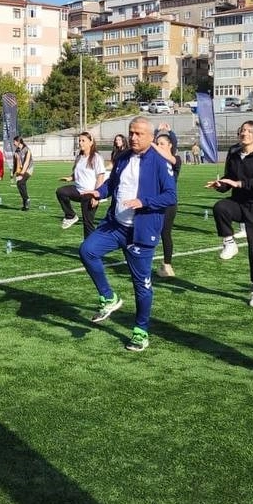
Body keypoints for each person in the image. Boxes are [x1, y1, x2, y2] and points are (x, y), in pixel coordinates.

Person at [79, 116, 178, 352]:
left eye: (139, 134)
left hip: (141, 231)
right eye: (131, 133)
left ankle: (140, 331)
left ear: (150, 137)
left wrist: (144, 202)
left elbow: (170, 196)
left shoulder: (159, 162)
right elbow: (112, 184)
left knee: (141, 284)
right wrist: (99, 192)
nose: (133, 137)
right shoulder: (123, 157)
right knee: (87, 250)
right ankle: (108, 297)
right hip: (116, 226)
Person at [206, 121, 253, 308]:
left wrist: (239, 184)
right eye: (242, 130)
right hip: (239, 203)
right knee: (221, 207)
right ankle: (229, 243)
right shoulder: (234, 153)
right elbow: (228, 179)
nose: (244, 133)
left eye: (249, 131)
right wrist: (220, 185)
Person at [55, 132, 106, 238]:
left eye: (83, 141)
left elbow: (100, 177)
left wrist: (96, 196)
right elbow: (79, 173)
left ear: (91, 142)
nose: (80, 143)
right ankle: (70, 216)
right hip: (78, 190)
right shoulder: (80, 157)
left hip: (89, 194)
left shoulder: (96, 157)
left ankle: (90, 245)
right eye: (79, 141)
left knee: (88, 224)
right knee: (61, 192)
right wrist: (70, 178)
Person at [153, 131, 181, 279]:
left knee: (165, 233)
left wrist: (169, 133)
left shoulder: (175, 159)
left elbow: (170, 157)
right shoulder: (155, 161)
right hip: (154, 201)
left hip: (169, 203)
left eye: (162, 144)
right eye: (157, 144)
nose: (159, 146)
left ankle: (167, 265)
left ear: (170, 146)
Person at [12, 135, 34, 210]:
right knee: (20, 184)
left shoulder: (27, 150)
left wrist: (22, 173)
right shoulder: (17, 151)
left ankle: (27, 199)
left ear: (19, 141)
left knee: (20, 183)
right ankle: (25, 205)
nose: (13, 143)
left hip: (28, 169)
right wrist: (13, 172)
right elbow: (16, 163)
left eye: (14, 141)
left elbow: (27, 162)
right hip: (21, 169)